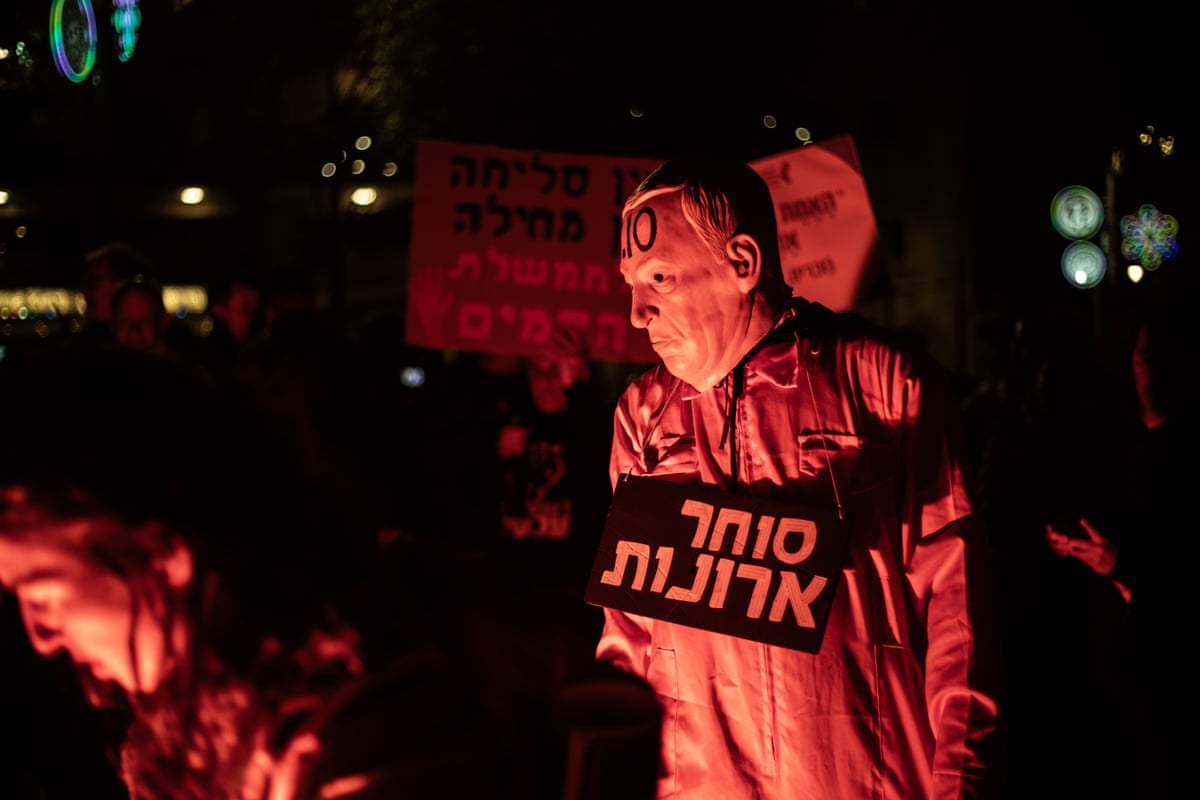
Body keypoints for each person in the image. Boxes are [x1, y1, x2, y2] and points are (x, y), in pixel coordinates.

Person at [591, 156, 1004, 798]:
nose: (638, 312)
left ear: (742, 262)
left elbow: (958, 606)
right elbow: (629, 632)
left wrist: (962, 778)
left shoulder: (881, 383)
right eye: (631, 285)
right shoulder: (642, 417)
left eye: (660, 278)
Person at [0, 345, 525, 800]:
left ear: (165, 552)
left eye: (43, 595)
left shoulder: (379, 737)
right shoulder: (196, 726)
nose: (41, 637)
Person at [1044, 302, 1199, 798]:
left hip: (1170, 683)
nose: (1149, 363)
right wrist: (1065, 543)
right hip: (1115, 688)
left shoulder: (1188, 456)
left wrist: (1121, 566)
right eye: (1142, 353)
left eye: (1161, 353)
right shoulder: (1118, 449)